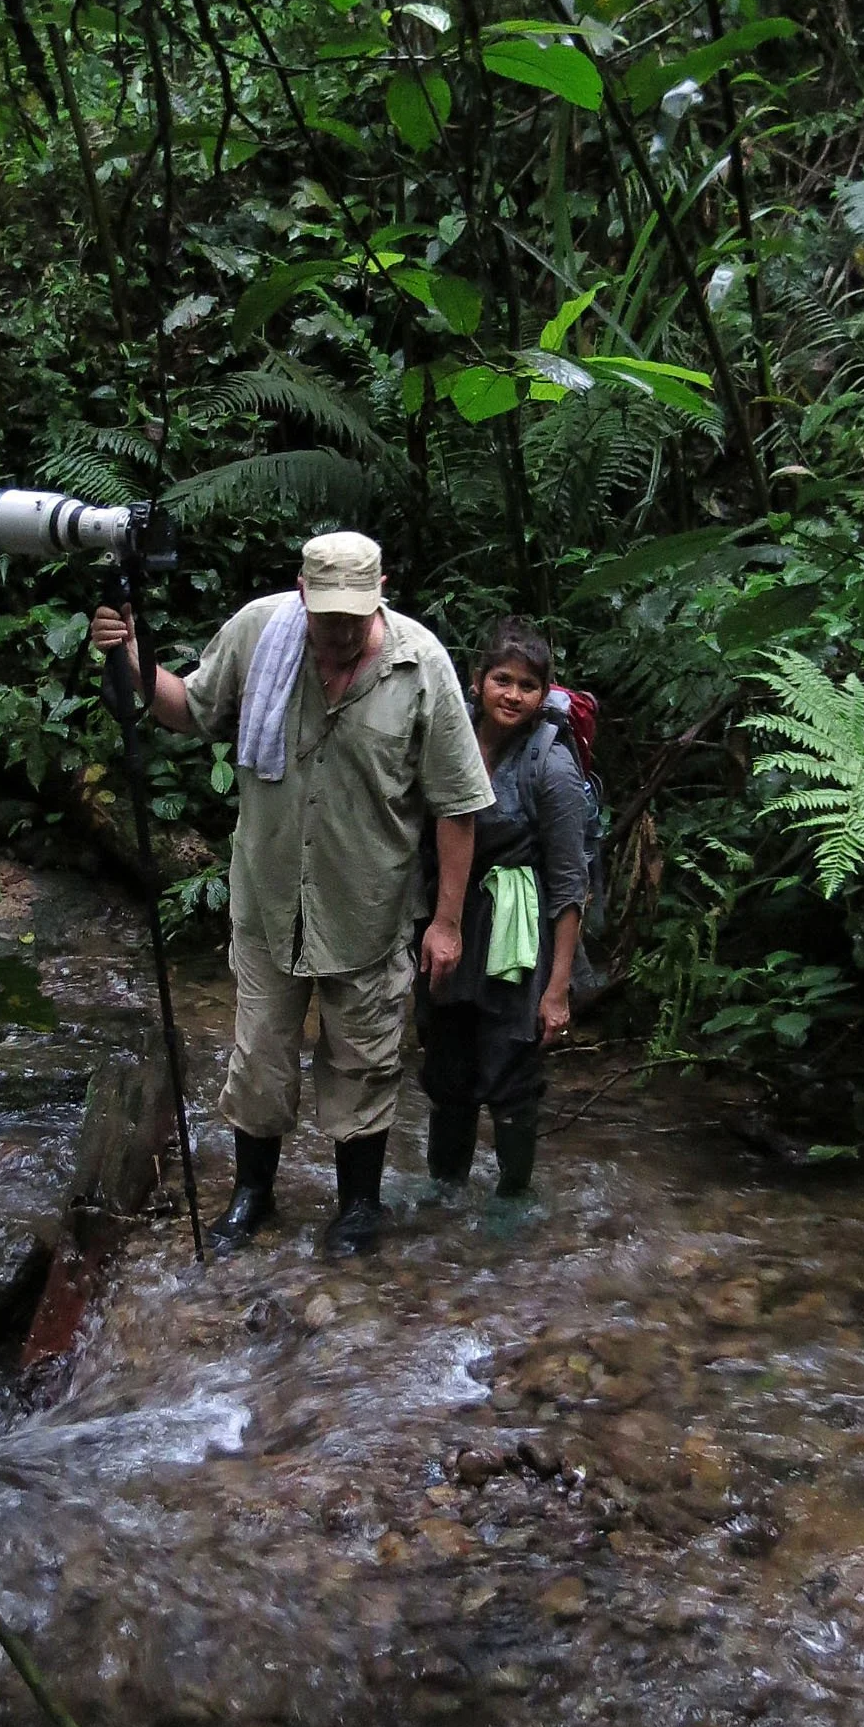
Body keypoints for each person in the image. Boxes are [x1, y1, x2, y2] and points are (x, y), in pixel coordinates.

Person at [90, 531, 493, 1257]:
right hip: (271, 898)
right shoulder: (259, 634)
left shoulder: (420, 663)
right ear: (302, 593)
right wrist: (130, 656)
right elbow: (187, 710)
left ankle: (358, 1207)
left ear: (381, 592)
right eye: (324, 615)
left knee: (364, 1058)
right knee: (260, 1055)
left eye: (353, 617)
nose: (337, 632)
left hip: (369, 906)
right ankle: (254, 1194)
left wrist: (448, 922)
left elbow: (457, 806)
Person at [415, 617, 590, 1203]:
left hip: (517, 938)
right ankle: (444, 1198)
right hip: (451, 923)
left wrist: (558, 990)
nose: (513, 695)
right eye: (502, 680)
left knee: (512, 1074)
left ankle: (514, 1205)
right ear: (476, 681)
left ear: (544, 695)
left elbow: (570, 883)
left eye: (528, 686)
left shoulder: (551, 767)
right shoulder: (451, 739)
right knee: (448, 1069)